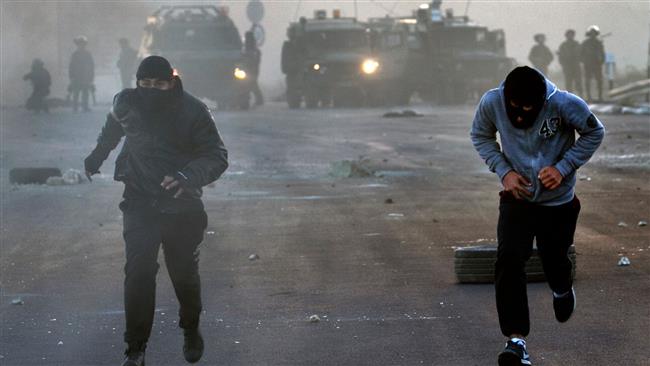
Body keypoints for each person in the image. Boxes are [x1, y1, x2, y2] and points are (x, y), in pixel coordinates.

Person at [83, 56, 228, 366]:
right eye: (145, 84)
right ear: (137, 82)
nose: (151, 90)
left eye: (158, 84)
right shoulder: (125, 102)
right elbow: (112, 130)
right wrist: (96, 156)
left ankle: (190, 327)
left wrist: (188, 177)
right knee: (138, 272)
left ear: (171, 82)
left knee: (184, 275)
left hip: (181, 206)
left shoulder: (193, 111)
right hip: (139, 201)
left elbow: (216, 155)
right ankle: (135, 350)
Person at [470, 66, 604, 366]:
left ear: (543, 101)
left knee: (554, 258)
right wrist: (504, 172)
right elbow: (480, 135)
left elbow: (595, 131)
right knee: (509, 258)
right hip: (517, 200)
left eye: (529, 108)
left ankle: (561, 286)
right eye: (515, 107)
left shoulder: (565, 103)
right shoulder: (492, 101)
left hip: (558, 202)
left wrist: (563, 167)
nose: (520, 114)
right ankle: (516, 341)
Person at [69, 36, 94, 112]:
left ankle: (85, 106)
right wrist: (71, 76)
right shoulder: (75, 54)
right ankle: (75, 107)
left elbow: (91, 66)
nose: (81, 45)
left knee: (85, 92)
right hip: (77, 76)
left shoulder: (88, 54)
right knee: (76, 93)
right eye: (80, 44)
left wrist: (91, 76)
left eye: (83, 44)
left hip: (85, 76)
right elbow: (71, 66)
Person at [581, 25, 606, 102]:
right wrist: (584, 61)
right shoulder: (585, 43)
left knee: (599, 81)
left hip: (597, 64)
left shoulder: (598, 43)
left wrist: (601, 61)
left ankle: (600, 96)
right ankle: (588, 96)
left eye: (594, 33)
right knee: (588, 81)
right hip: (588, 64)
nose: (593, 35)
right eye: (591, 33)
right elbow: (581, 54)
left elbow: (602, 54)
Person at [557, 29, 583, 95]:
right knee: (569, 82)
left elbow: (581, 54)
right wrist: (563, 64)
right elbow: (560, 56)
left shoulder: (577, 44)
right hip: (567, 66)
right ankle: (570, 97)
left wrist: (578, 59)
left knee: (578, 81)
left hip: (575, 65)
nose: (570, 36)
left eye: (571, 35)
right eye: (569, 35)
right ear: (566, 36)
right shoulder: (563, 45)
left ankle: (580, 96)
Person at [243, 31, 264, 106]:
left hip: (251, 69)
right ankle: (259, 99)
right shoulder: (251, 47)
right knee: (252, 84)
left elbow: (253, 59)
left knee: (252, 84)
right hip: (252, 69)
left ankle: (259, 99)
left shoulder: (250, 47)